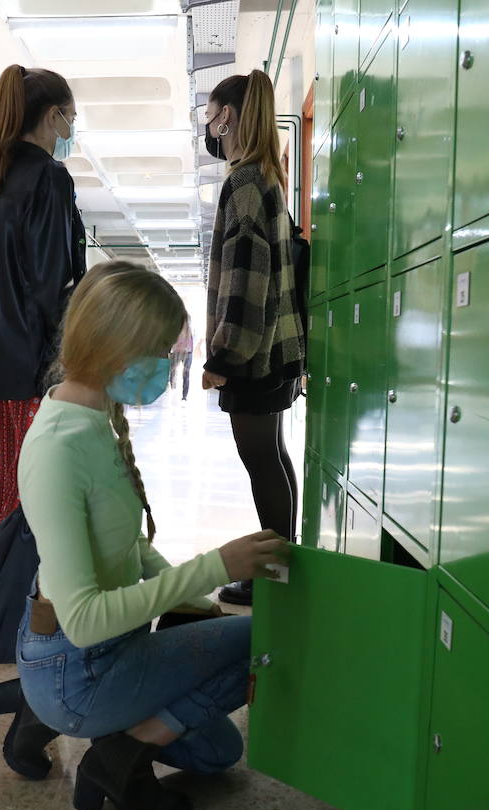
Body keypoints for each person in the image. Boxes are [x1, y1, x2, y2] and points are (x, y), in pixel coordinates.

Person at [0, 262, 288, 810]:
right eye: (159, 351)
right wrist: (213, 568)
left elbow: (126, 544)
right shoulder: (59, 447)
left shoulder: (93, 414)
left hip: (108, 649)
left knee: (217, 754)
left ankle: (46, 714)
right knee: (264, 640)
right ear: (113, 346)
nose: (169, 365)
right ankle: (113, 750)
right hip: (80, 664)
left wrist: (189, 593)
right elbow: (84, 618)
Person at [200, 71, 305, 607]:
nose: (209, 127)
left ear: (230, 117)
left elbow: (246, 276)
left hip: (255, 351)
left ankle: (273, 574)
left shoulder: (244, 182)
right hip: (279, 349)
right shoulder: (269, 176)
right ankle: (283, 563)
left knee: (259, 456)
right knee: (274, 454)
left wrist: (223, 354)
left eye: (211, 115)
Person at [0, 65, 87, 536]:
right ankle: (37, 587)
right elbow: (50, 282)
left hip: (0, 355)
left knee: (8, 474)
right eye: (71, 117)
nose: (72, 129)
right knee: (42, 478)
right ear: (53, 116)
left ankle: (1, 576)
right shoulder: (49, 176)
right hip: (38, 359)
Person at [168, 318, 194, 400]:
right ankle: (173, 386)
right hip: (178, 351)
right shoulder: (175, 326)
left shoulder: (188, 325)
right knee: (173, 370)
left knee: (185, 374)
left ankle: (184, 396)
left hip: (186, 351)